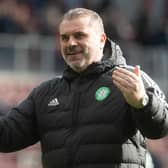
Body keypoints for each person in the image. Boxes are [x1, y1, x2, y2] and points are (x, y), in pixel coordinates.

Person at [0, 8, 168, 168]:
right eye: (64, 38)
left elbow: (160, 128)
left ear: (101, 40)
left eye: (79, 35)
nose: (71, 43)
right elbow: (6, 136)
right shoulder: (45, 93)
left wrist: (142, 103)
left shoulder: (131, 79)